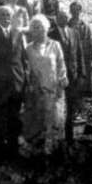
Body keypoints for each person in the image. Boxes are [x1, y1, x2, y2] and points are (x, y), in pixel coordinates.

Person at [0, 4, 27, 166]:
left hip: (16, 83)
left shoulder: (18, 34)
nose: (6, 18)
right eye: (3, 15)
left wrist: (24, 82)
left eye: (8, 15)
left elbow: (23, 60)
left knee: (14, 120)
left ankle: (14, 155)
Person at [23, 13, 68, 154]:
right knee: (38, 121)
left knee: (54, 121)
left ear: (46, 29)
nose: (38, 30)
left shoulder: (55, 45)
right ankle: (38, 153)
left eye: (41, 27)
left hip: (54, 89)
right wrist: (30, 85)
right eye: (35, 27)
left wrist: (63, 78)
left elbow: (61, 65)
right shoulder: (28, 49)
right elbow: (26, 69)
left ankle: (53, 153)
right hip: (36, 91)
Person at [49, 10, 85, 143]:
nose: (63, 19)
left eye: (65, 17)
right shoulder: (51, 34)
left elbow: (79, 53)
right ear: (56, 19)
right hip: (57, 75)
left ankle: (69, 137)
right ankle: (57, 136)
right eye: (60, 17)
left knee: (71, 105)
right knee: (57, 105)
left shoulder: (74, 32)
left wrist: (82, 73)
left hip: (73, 75)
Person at [69, 1, 92, 96]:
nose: (75, 12)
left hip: (85, 57)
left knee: (85, 80)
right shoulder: (68, 25)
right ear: (70, 11)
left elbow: (90, 43)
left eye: (77, 10)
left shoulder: (86, 26)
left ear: (80, 11)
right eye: (73, 10)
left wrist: (91, 59)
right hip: (73, 57)